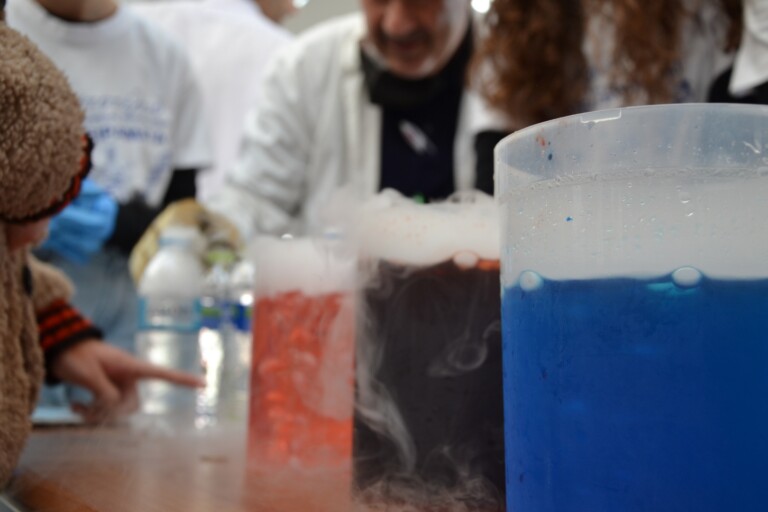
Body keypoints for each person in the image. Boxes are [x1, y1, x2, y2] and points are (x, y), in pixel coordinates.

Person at [0, 20, 201, 488]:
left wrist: (57, 331)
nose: (35, 232)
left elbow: (183, 207)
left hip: (112, 299)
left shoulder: (163, 55)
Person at [204, 0, 506, 241]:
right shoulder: (305, 69)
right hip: (340, 296)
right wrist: (208, 233)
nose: (396, 24)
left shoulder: (515, 70)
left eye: (419, 1)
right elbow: (257, 203)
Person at [6, 0, 212, 351]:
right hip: (22, 296)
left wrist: (120, 223)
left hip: (134, 310)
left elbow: (181, 212)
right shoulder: (10, 34)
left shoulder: (164, 57)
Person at [471, 0, 768, 181]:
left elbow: (743, 126)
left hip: (686, 218)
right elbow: (497, 165)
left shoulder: (704, 12)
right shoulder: (515, 24)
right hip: (569, 228)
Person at [131, 0, 294, 204]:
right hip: (230, 216)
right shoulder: (285, 54)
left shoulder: (131, 28)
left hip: (133, 214)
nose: (292, 10)